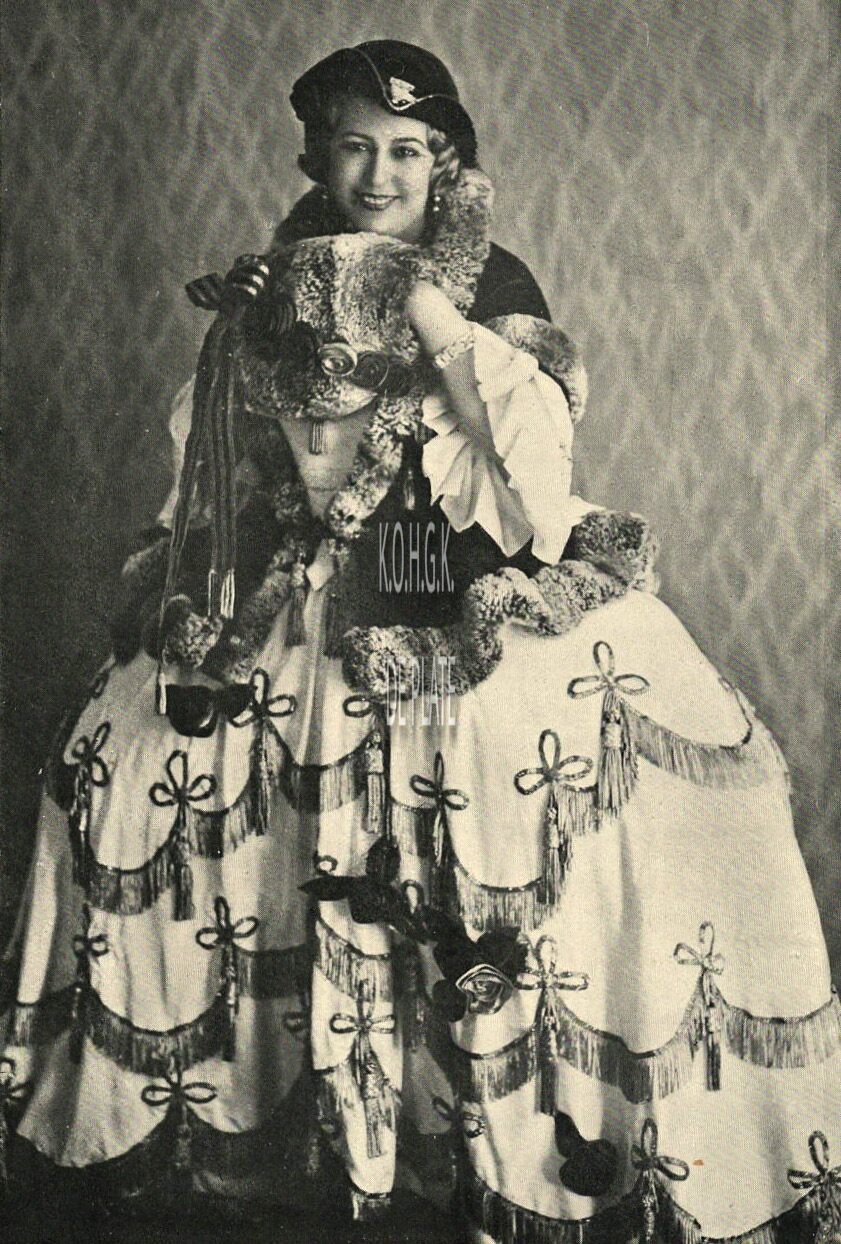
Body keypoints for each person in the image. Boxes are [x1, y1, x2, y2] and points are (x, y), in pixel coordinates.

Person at [2, 39, 839, 1243]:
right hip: (300, 570)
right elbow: (224, 464)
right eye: (355, 146)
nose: (379, 174)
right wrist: (248, 375)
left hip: (445, 563)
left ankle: (502, 1131)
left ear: (444, 163)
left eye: (407, 150)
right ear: (319, 156)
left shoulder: (490, 279)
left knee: (520, 778)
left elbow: (532, 483)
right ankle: (267, 1112)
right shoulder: (282, 273)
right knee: (122, 756)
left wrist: (433, 313)